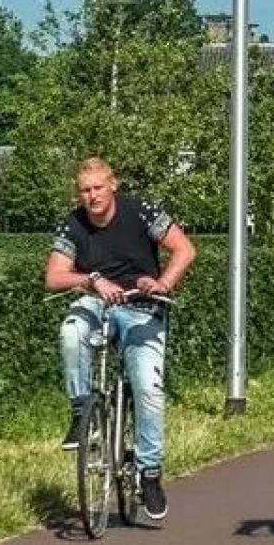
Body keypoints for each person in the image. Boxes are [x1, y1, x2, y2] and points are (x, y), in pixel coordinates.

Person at [45, 157, 196, 519]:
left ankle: (150, 473)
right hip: (97, 302)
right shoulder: (73, 225)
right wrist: (92, 279)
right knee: (71, 331)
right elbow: (53, 277)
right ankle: (82, 412)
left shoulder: (141, 211)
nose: (92, 196)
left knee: (146, 386)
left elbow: (184, 249)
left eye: (98, 187)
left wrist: (162, 284)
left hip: (142, 308)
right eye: (85, 190)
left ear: (113, 185)